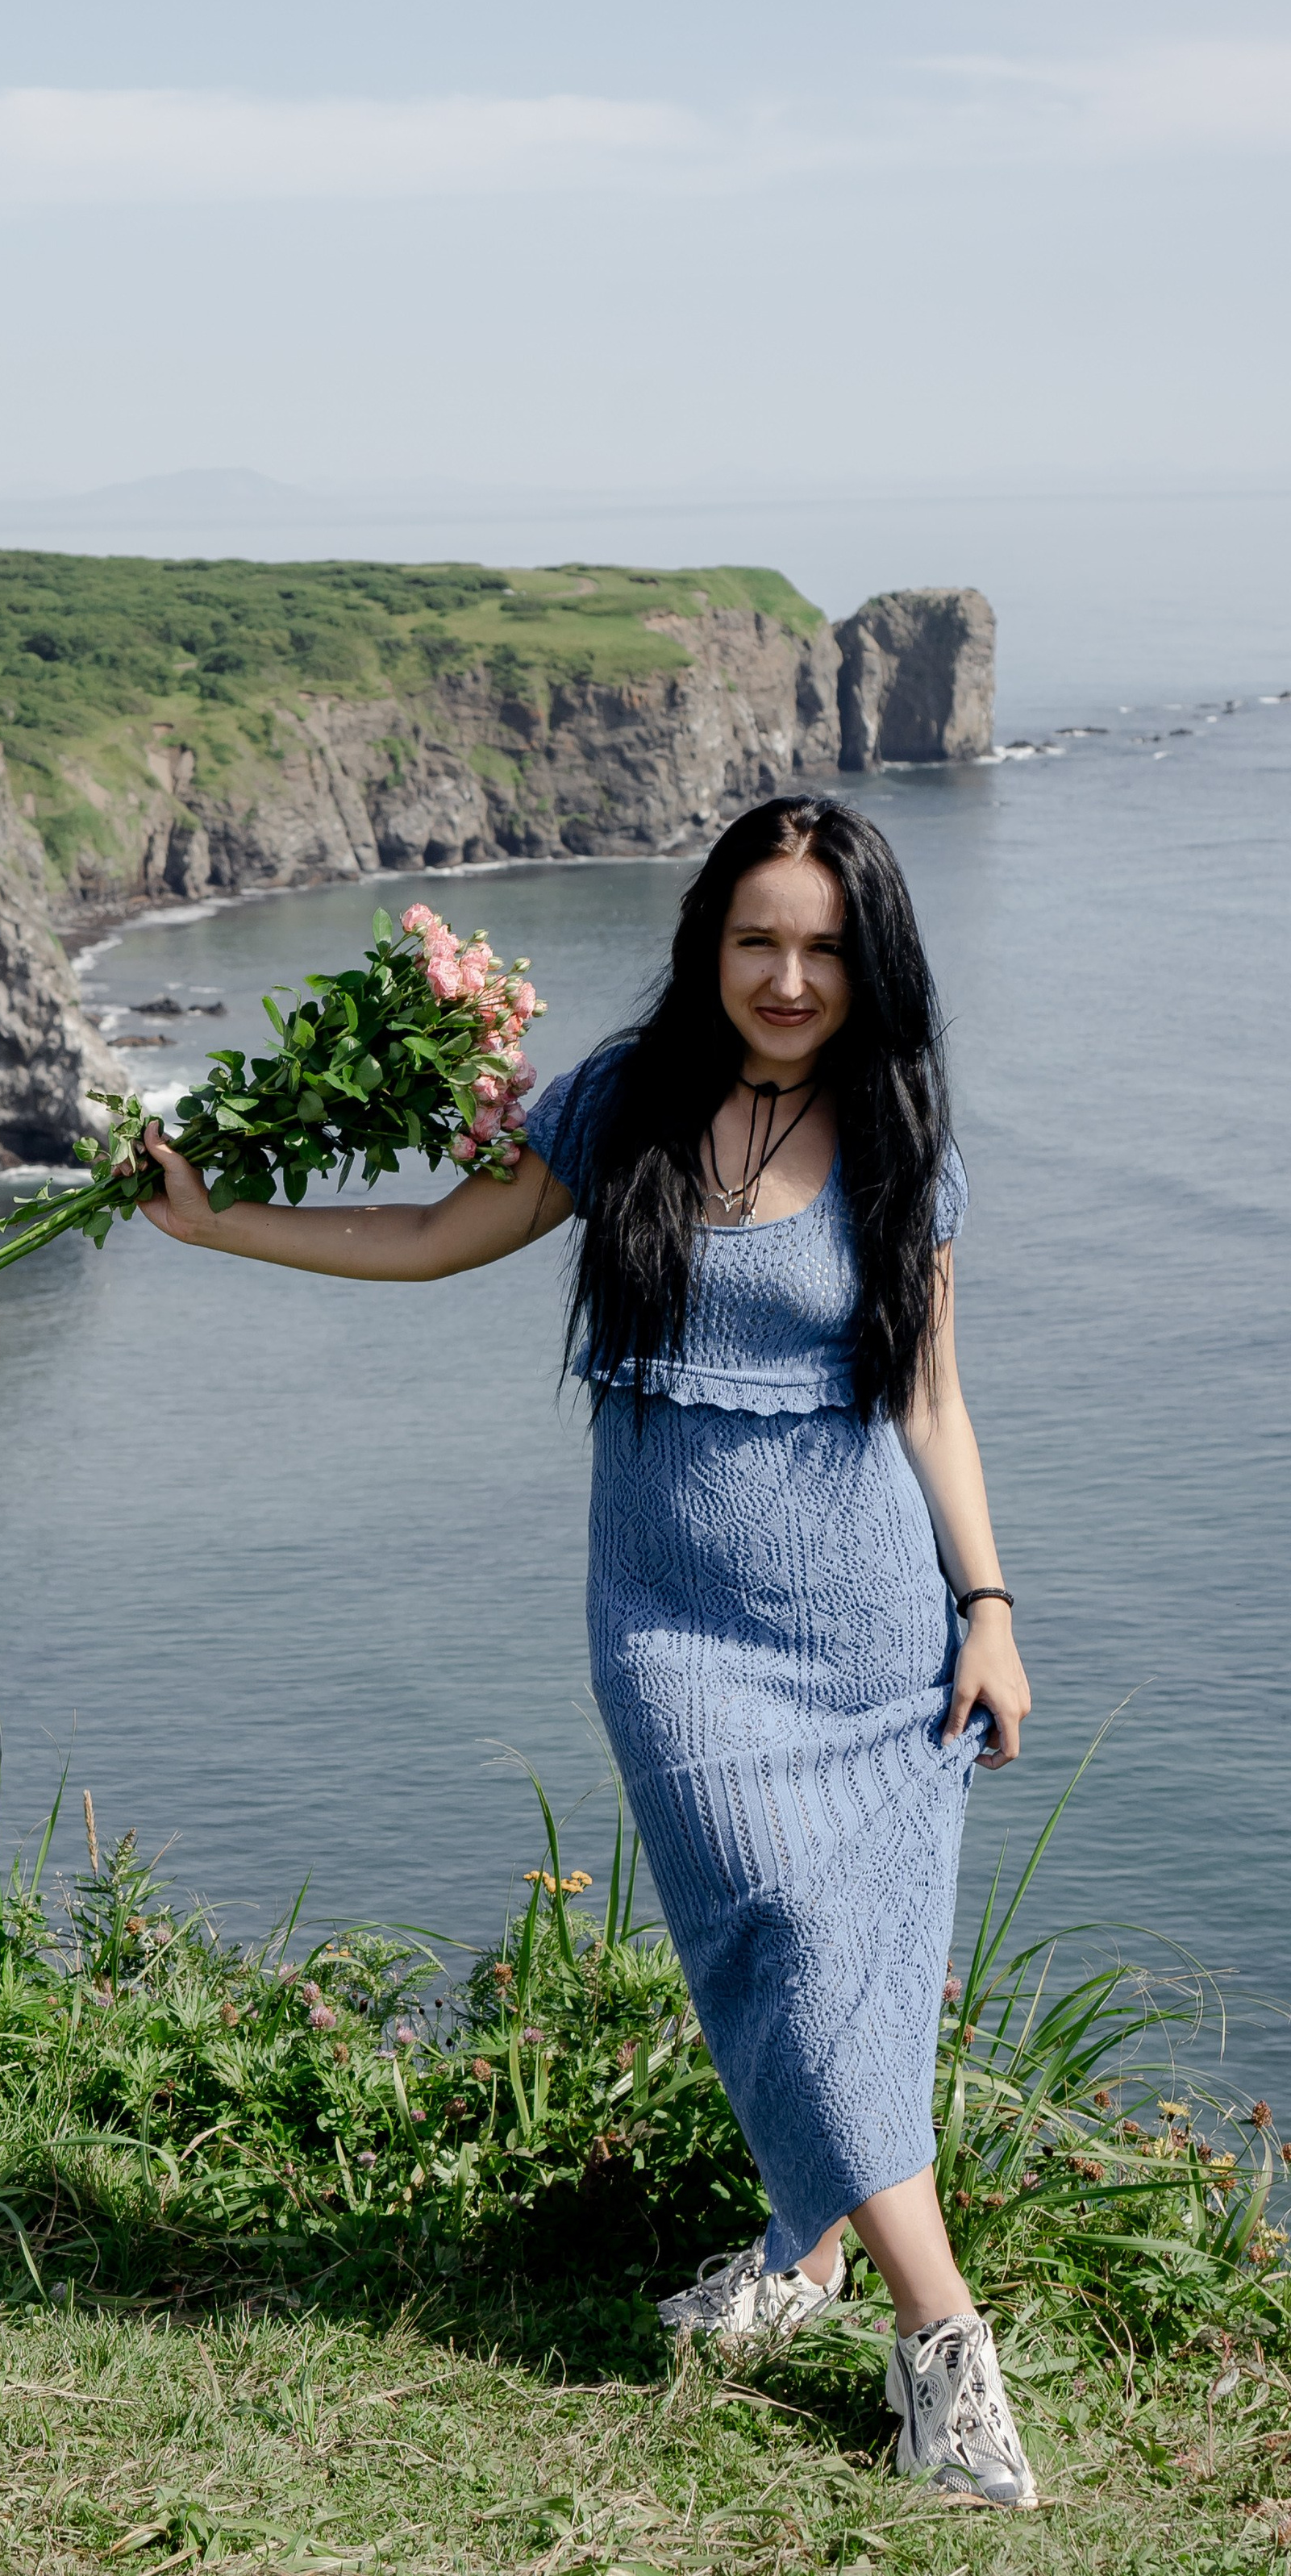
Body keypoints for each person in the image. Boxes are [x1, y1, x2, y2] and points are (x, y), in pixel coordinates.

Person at [134, 794, 1038, 2510]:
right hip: (676, 1640)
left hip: (868, 1631)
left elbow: (927, 1396)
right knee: (774, 1928)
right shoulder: (617, 1106)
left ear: (870, 962)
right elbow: (427, 1238)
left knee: (843, 1961)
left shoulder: (897, 1131)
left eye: (824, 947)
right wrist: (215, 1222)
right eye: (757, 938)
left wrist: (984, 1611)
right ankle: (945, 2346)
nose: (788, 976)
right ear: (708, 940)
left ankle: (815, 2261)